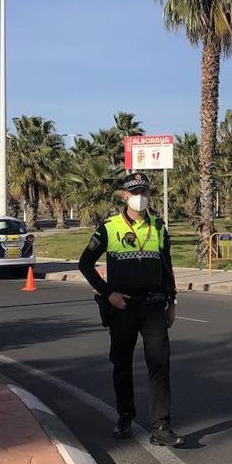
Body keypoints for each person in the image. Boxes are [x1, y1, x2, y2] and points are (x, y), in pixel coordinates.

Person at [78, 172, 182, 447]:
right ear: (124, 195)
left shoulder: (159, 228)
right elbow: (85, 264)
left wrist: (172, 302)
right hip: (122, 307)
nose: (141, 197)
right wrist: (108, 293)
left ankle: (161, 425)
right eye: (135, 192)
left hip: (153, 307)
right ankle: (125, 415)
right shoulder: (108, 228)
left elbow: (167, 268)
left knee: (160, 363)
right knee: (122, 365)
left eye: (145, 192)